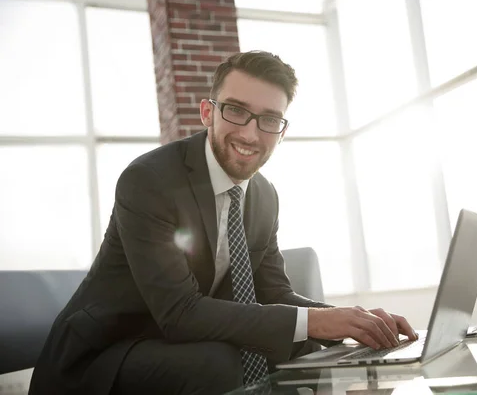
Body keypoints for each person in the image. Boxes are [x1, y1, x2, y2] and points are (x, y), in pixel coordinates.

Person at [28, 51, 417, 395]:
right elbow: (179, 313)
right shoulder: (149, 180)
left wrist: (353, 321)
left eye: (269, 119)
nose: (250, 132)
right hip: (104, 354)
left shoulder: (263, 195)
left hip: (176, 342)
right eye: (235, 110)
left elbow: (274, 291)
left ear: (282, 132)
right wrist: (318, 321)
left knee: (310, 346)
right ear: (207, 112)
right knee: (220, 362)